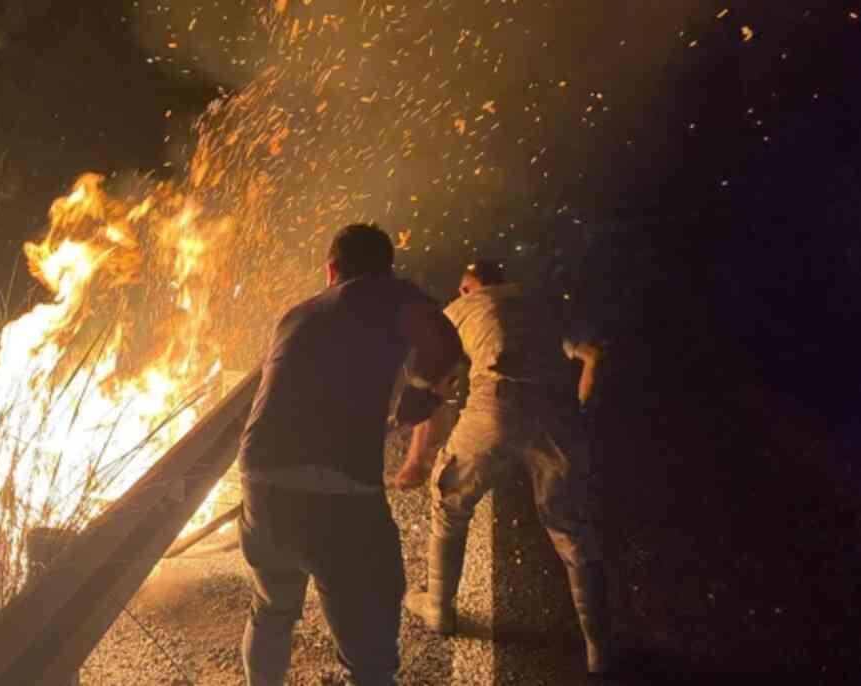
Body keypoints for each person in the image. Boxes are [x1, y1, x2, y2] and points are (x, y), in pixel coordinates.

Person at [237, 224, 463, 685]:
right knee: (370, 645)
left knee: (272, 608)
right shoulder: (388, 293)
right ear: (386, 268)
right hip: (338, 491)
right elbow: (446, 346)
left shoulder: (297, 313)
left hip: (260, 480)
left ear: (331, 269)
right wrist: (420, 396)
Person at [393, 258, 611, 675]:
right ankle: (600, 648)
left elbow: (433, 384)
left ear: (466, 288)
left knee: (449, 503)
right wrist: (581, 411)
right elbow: (592, 357)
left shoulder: (461, 309)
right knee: (573, 531)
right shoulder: (544, 304)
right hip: (555, 415)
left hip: (494, 406)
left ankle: (438, 608)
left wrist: (417, 459)